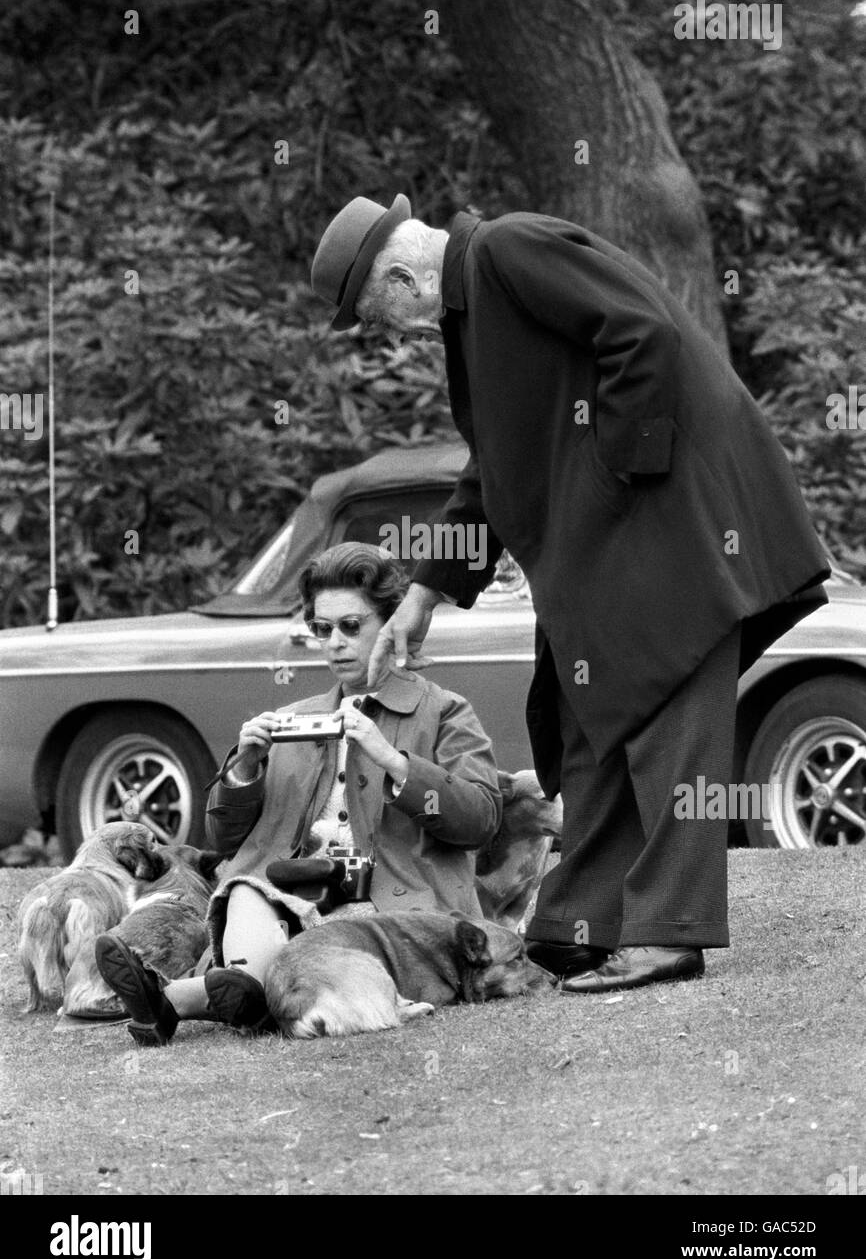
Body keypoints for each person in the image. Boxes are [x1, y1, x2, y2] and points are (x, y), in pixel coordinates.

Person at [309, 193, 830, 993]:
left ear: (404, 276)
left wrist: (608, 476)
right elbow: (493, 475)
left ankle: (668, 930)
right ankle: (577, 920)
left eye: (372, 313)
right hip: (622, 536)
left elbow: (641, 332)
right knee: (587, 711)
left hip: (672, 520)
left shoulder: (509, 252)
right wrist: (422, 597)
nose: (381, 333)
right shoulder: (468, 319)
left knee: (668, 708)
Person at [95, 542, 501, 1044]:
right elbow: (224, 841)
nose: (334, 642)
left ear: (393, 622)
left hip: (390, 914)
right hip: (289, 903)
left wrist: (396, 762)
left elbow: (481, 820)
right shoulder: (293, 718)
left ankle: (178, 999)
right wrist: (244, 769)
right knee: (246, 885)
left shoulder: (443, 710)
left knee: (304, 941)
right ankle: (233, 991)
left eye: (352, 626)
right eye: (322, 629)